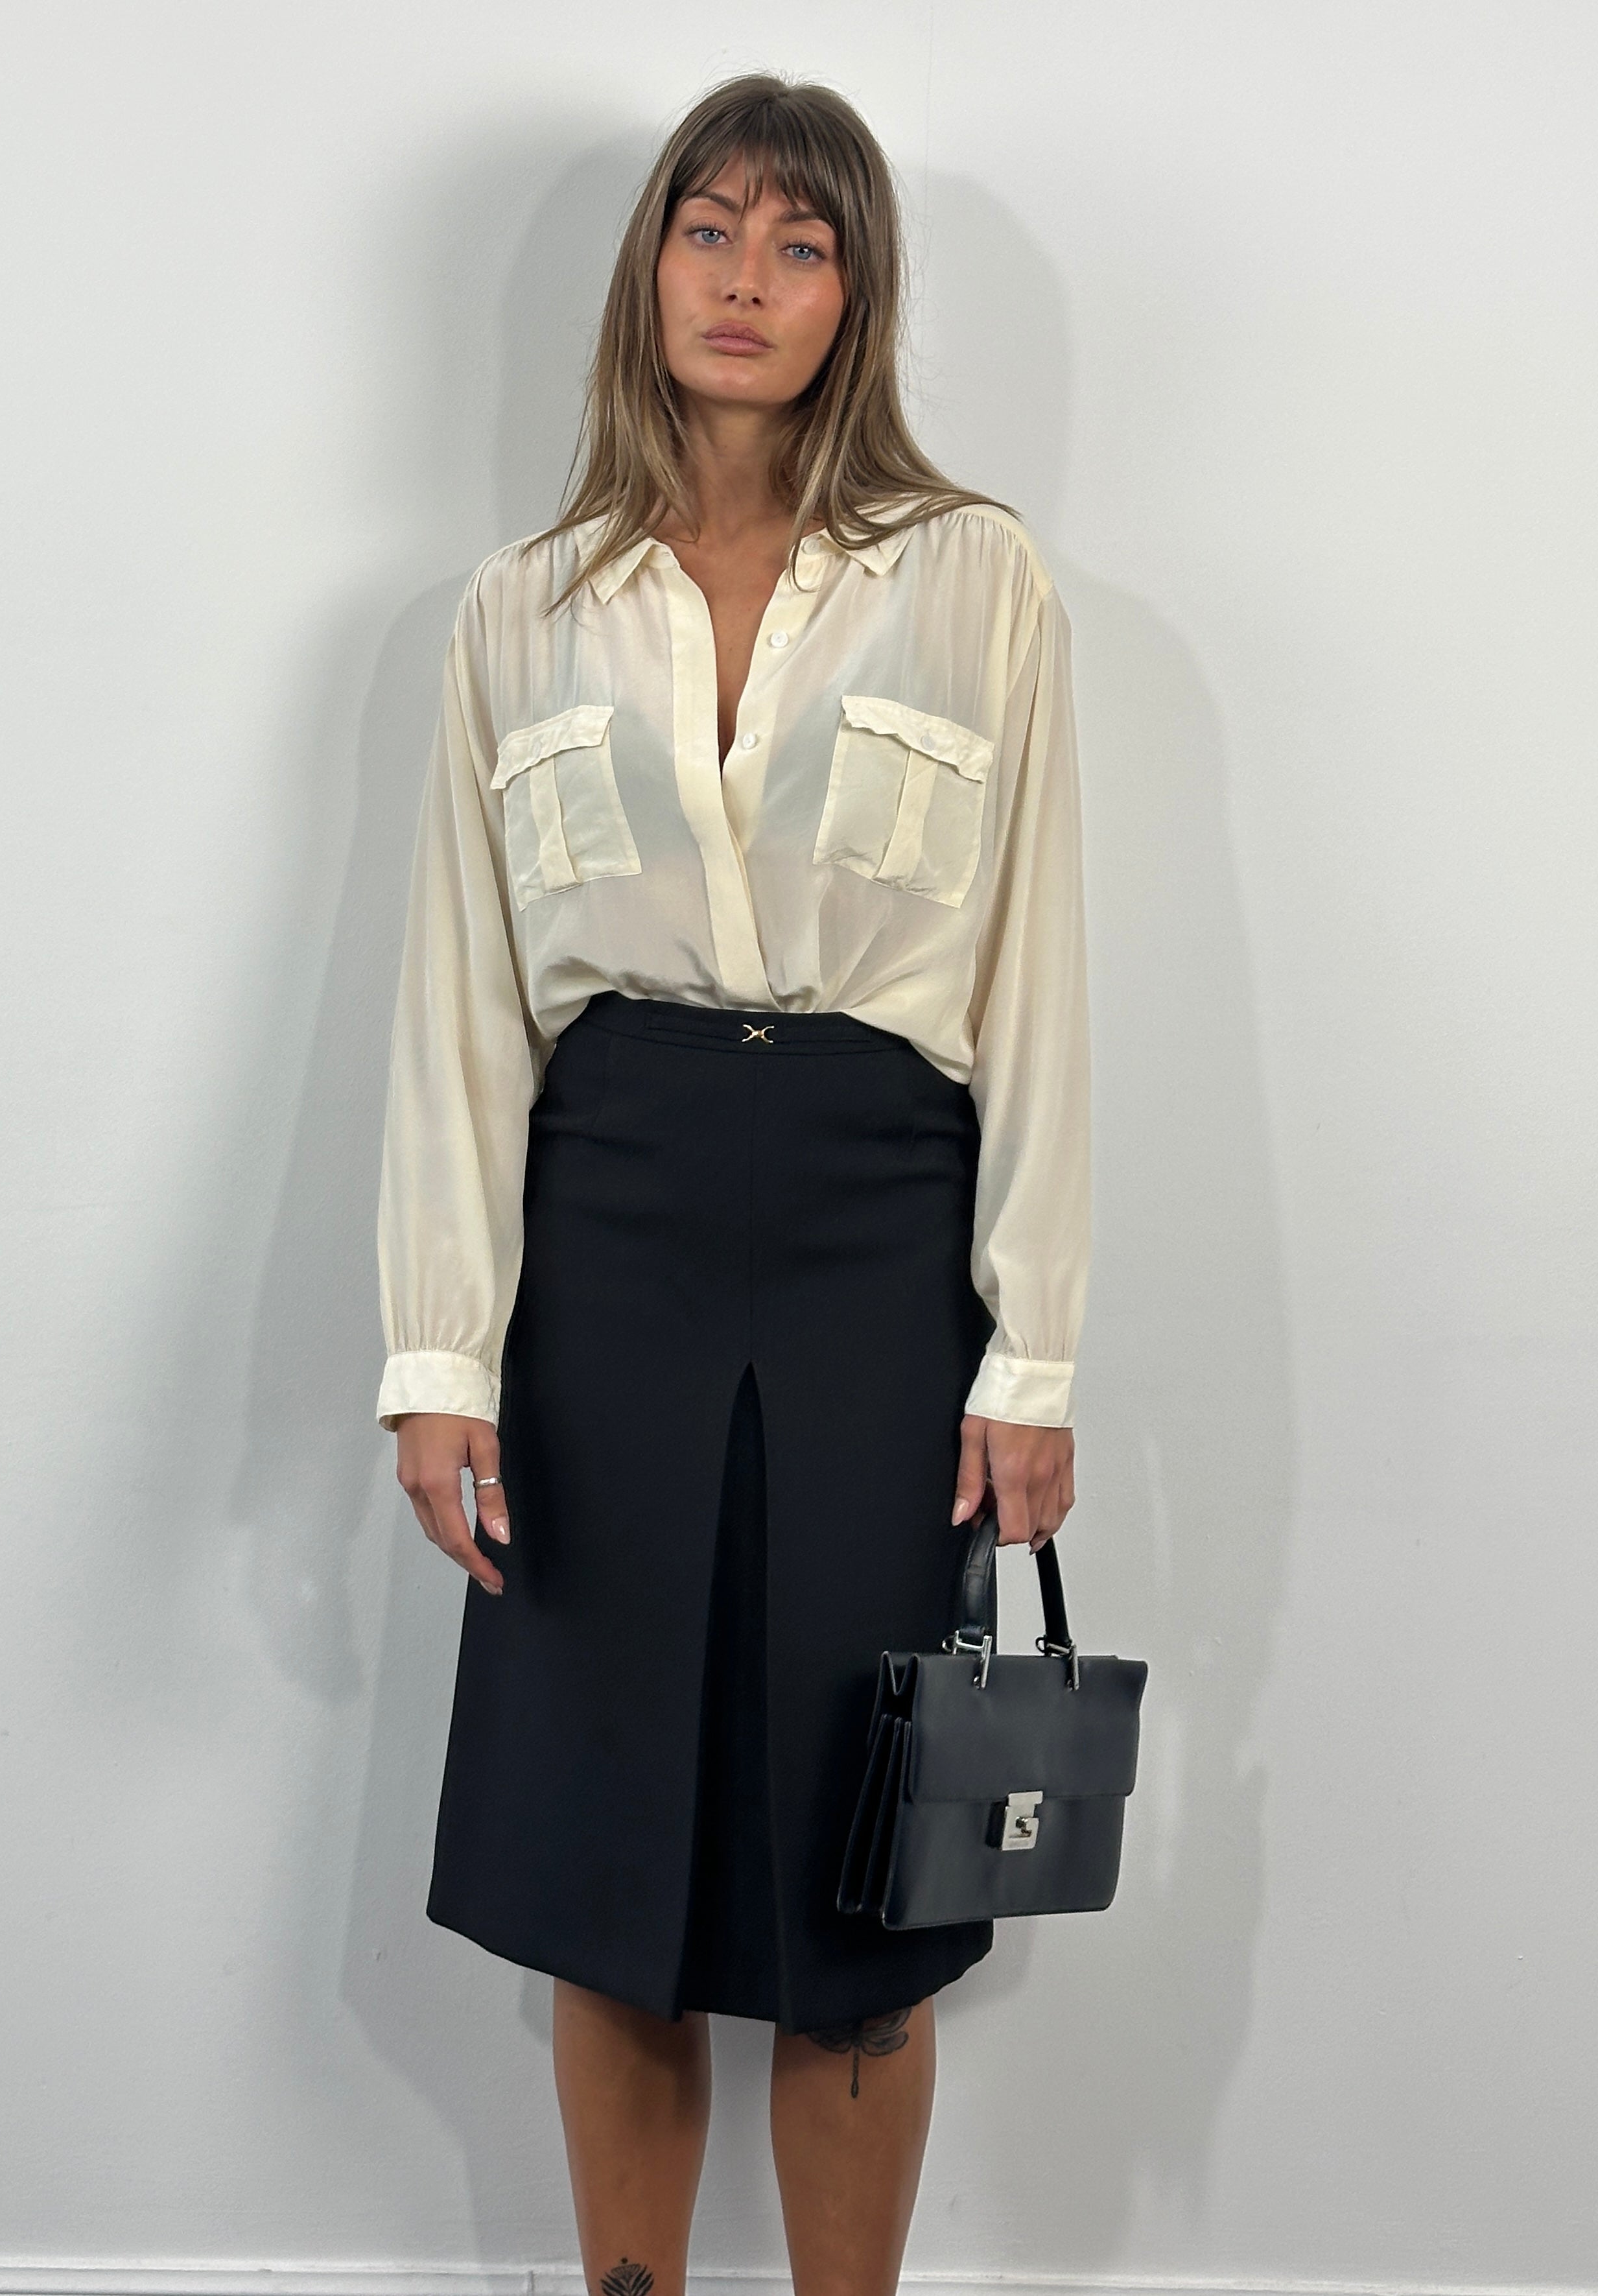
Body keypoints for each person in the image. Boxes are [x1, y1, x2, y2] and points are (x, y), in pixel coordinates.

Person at [375, 71, 1090, 2296]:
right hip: (608, 1249)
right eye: (711, 230)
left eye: (802, 243)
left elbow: (1039, 974)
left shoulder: (973, 580)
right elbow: (462, 1011)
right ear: (653, 266)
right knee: (615, 1866)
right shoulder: (522, 611)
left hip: (886, 1248)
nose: (748, 281)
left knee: (864, 1869)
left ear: (856, 293)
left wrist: (1035, 1345)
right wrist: (439, 1355)